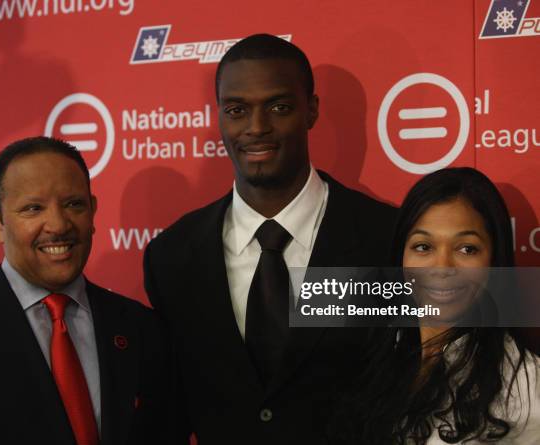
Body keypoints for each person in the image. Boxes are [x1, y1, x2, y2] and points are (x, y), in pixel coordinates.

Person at [143, 34, 397, 444]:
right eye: (238, 110)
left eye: (278, 107)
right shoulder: (172, 256)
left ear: (311, 110)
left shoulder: (386, 237)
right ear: (220, 116)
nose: (256, 128)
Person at [0, 137, 170, 445]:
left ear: (93, 212)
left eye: (73, 204)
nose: (57, 224)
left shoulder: (142, 328)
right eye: (33, 208)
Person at [329, 167, 539, 444]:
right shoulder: (372, 357)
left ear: (495, 261)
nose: (441, 268)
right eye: (423, 247)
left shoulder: (527, 389)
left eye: (466, 249)